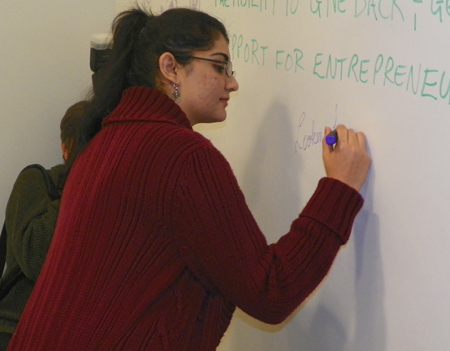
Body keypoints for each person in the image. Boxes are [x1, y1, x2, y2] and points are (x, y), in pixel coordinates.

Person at [8, 7, 371, 351]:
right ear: (171, 68)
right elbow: (269, 292)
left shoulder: (108, 140)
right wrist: (338, 190)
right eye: (219, 66)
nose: (233, 83)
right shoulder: (182, 157)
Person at [0, 100, 88, 350]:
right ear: (65, 149)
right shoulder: (37, 182)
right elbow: (35, 260)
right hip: (19, 328)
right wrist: (78, 181)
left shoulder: (113, 197)